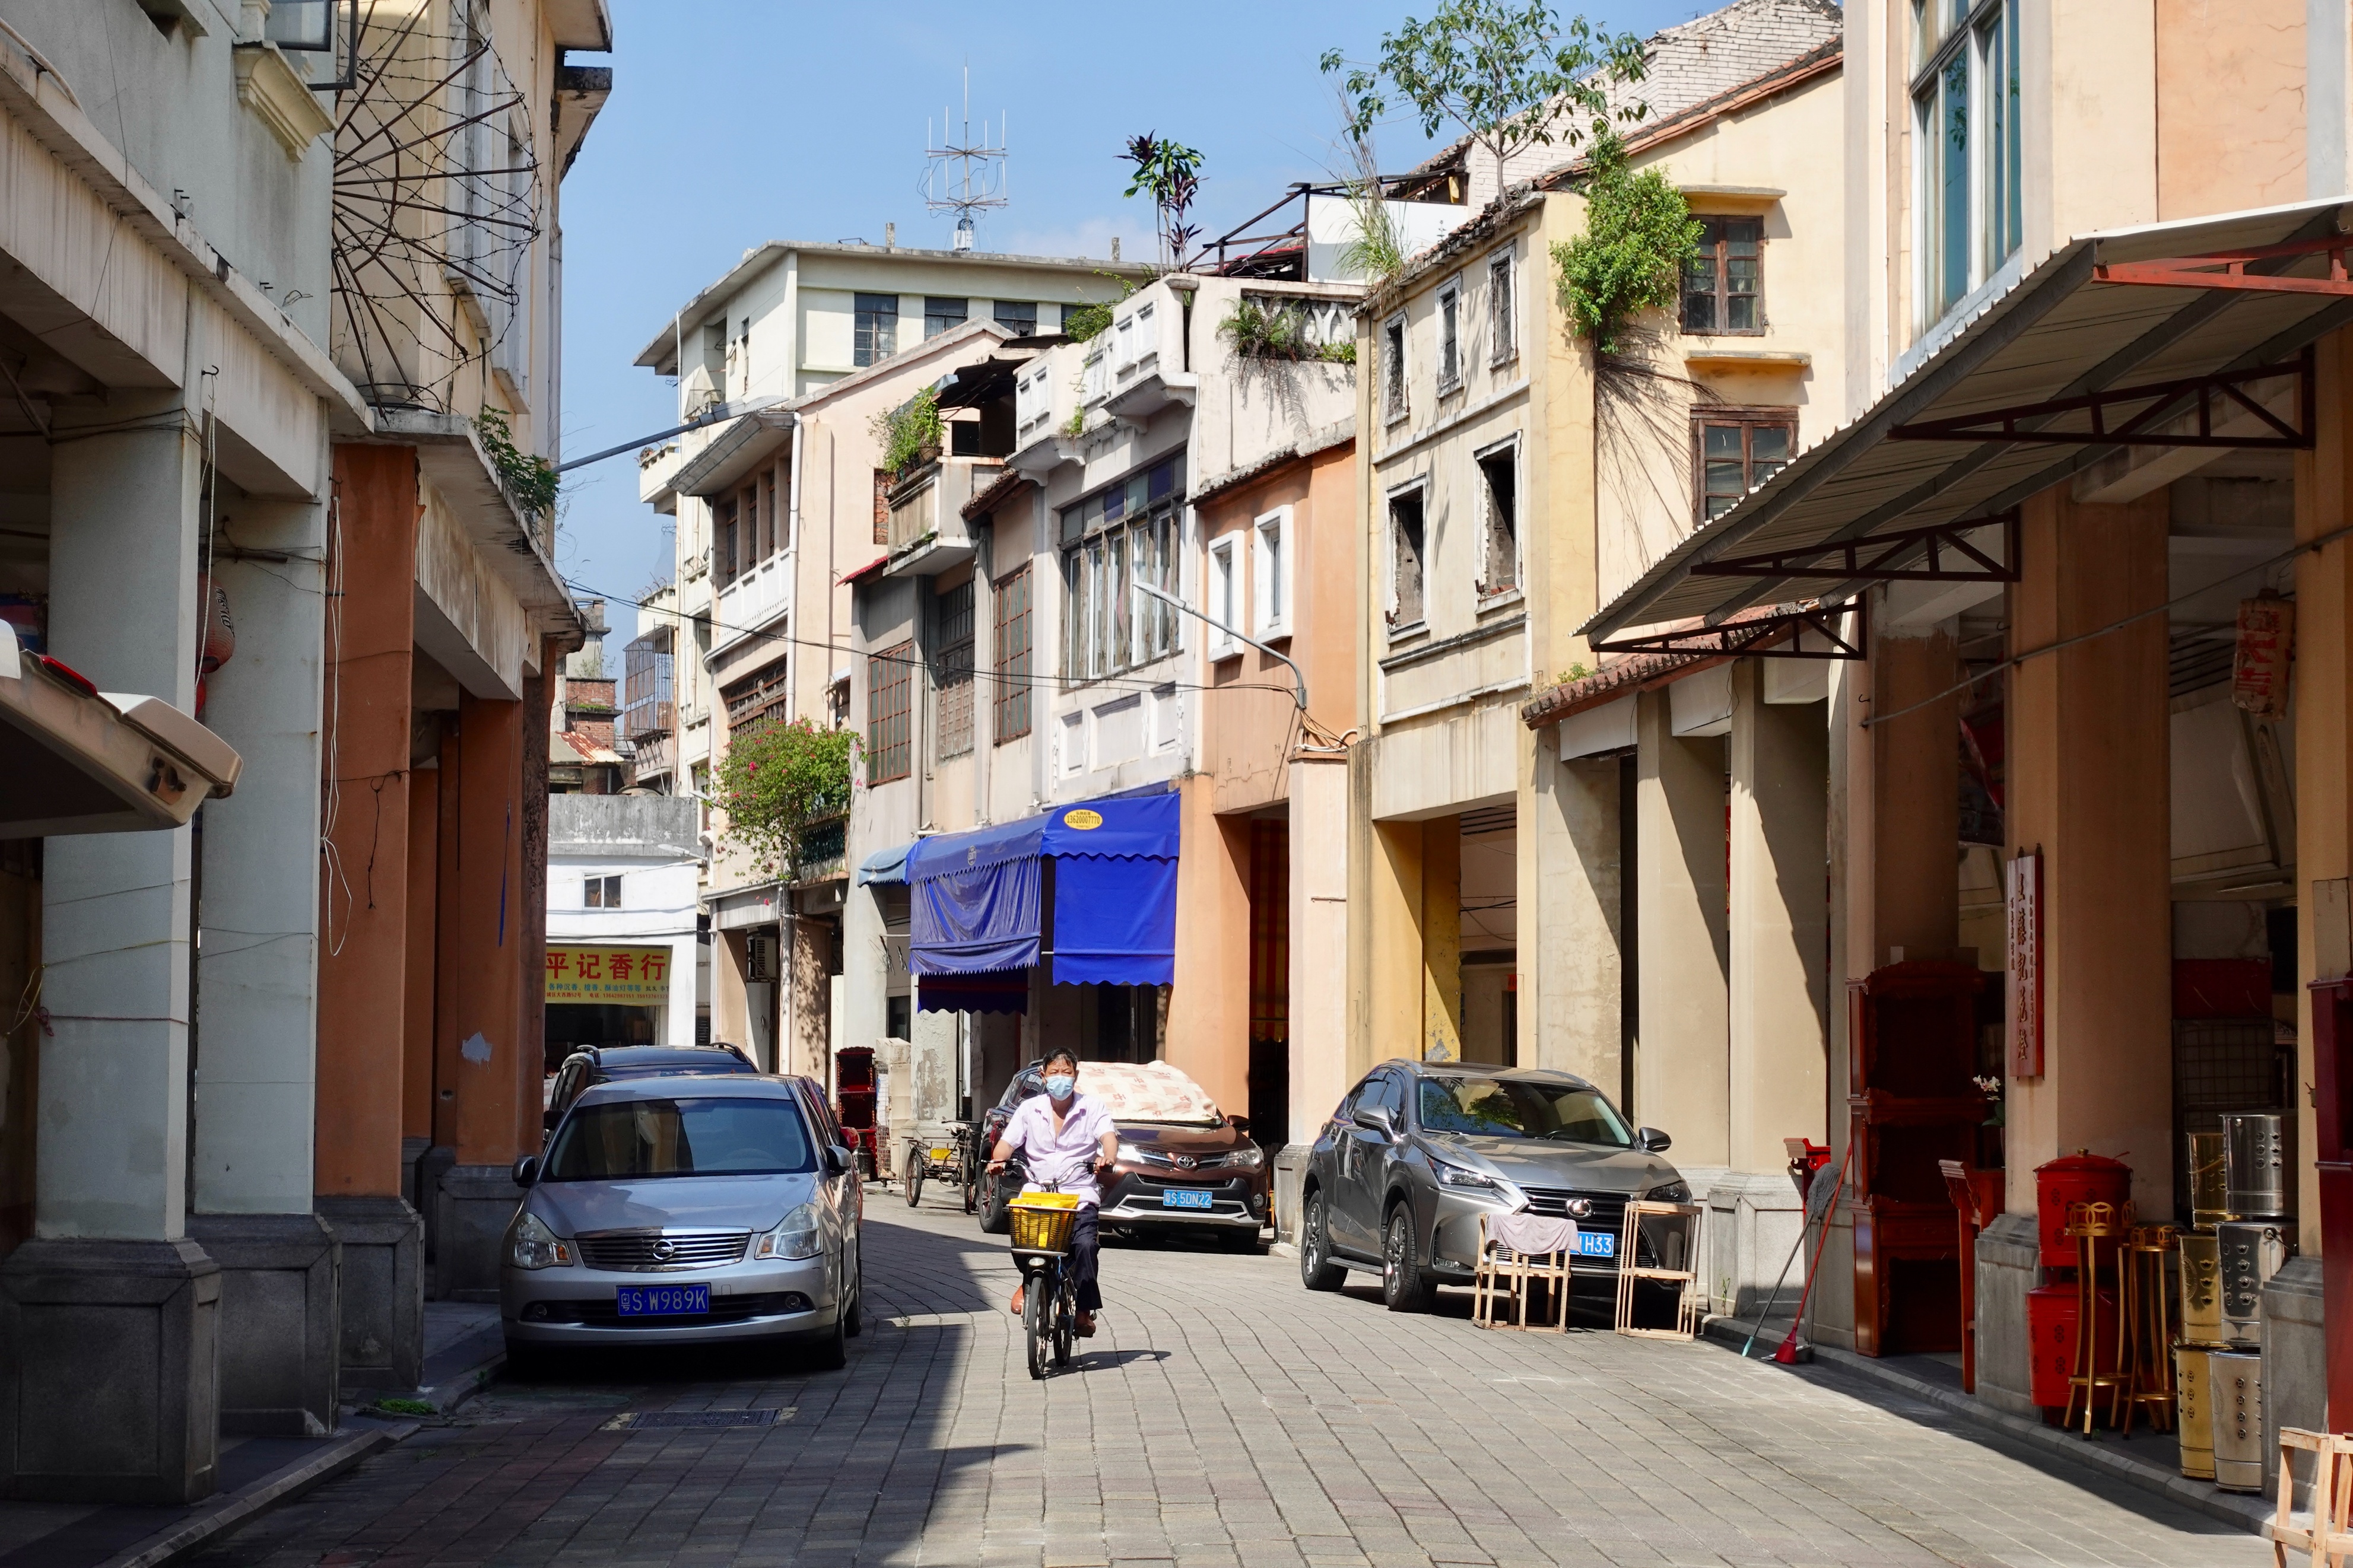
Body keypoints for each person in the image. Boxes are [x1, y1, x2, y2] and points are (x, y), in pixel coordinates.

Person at [987, 1048, 1117, 1335]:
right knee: (1022, 1237)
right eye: (1055, 1073)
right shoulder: (1029, 1109)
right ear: (1043, 1076)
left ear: (1076, 1076)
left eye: (1067, 1073)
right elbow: (1008, 1143)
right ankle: (1027, 1281)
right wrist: (998, 1160)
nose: (1061, 1078)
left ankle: (1084, 1310)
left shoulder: (1092, 1108)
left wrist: (1106, 1158)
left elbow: (1108, 1137)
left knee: (1085, 1247)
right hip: (1037, 1192)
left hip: (1079, 1195)